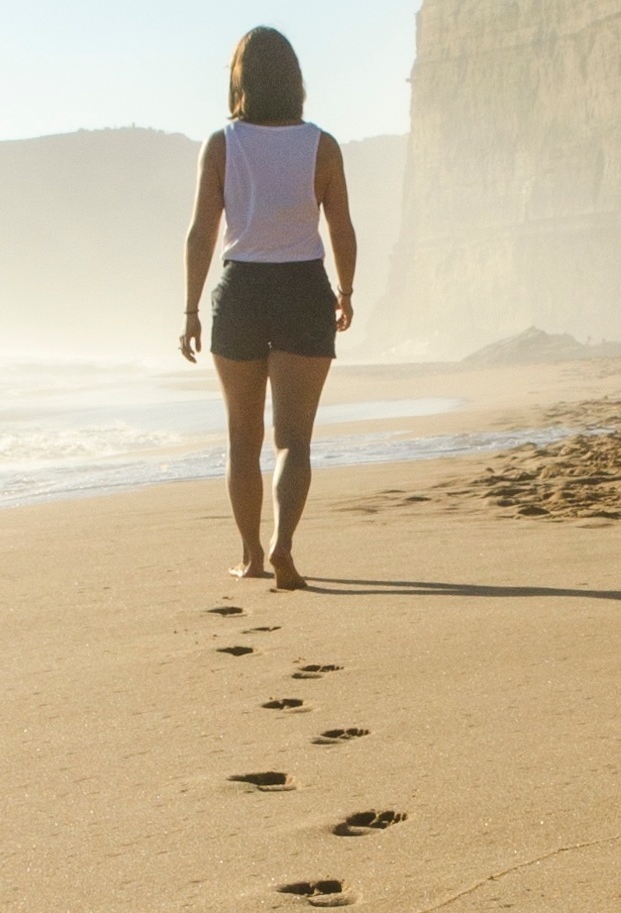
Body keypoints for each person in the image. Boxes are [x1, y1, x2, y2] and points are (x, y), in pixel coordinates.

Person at [179, 26, 356, 592]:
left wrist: (190, 310)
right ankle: (284, 544)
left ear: (241, 80)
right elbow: (342, 227)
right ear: (294, 81)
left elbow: (201, 233)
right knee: (293, 440)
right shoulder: (321, 145)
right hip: (304, 288)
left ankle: (252, 555)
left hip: (242, 291)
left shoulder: (222, 144)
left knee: (242, 437)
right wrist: (346, 290)